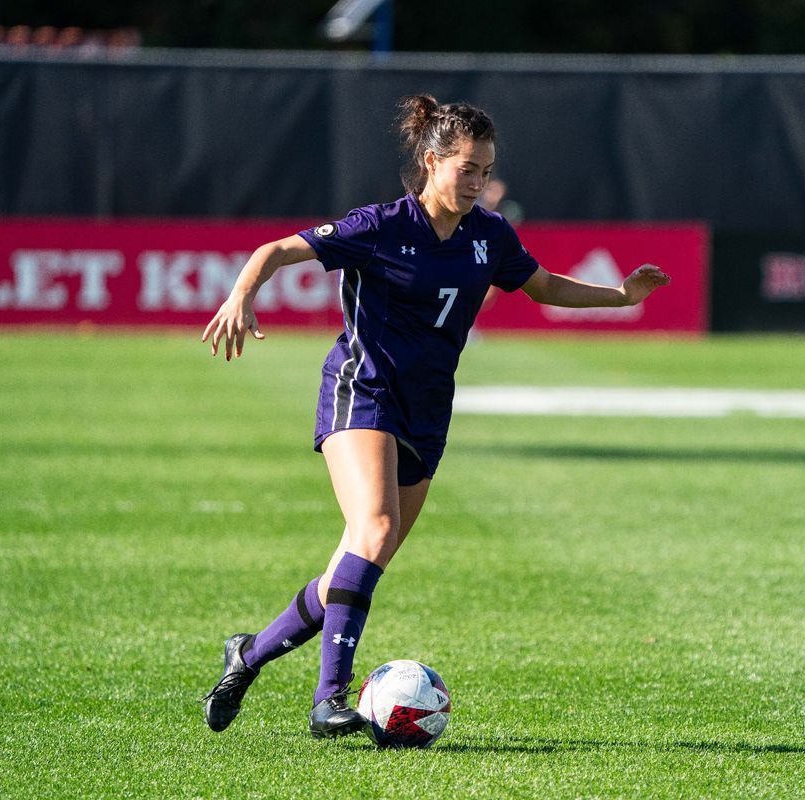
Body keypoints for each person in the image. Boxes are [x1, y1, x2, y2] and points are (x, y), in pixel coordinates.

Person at [199, 94, 670, 739]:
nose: (478, 182)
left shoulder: (489, 235)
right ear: (431, 162)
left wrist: (621, 296)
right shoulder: (381, 225)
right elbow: (278, 249)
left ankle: (247, 656)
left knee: (363, 556)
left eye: (486, 169)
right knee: (377, 524)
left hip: (428, 411)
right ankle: (329, 698)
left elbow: (544, 286)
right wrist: (241, 295)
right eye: (468, 168)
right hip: (361, 390)